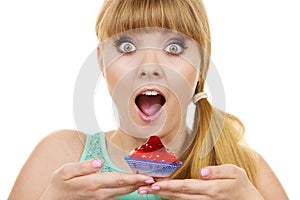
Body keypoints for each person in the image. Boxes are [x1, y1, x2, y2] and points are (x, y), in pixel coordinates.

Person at [9, 0, 288, 199]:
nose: (150, 65)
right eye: (127, 46)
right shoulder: (60, 156)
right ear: (101, 61)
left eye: (174, 47)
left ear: (202, 66)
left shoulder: (246, 170)